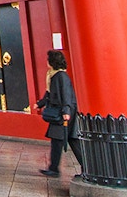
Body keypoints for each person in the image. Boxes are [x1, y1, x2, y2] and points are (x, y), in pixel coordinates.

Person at [36, 49, 83, 177]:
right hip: (61, 111)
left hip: (63, 112)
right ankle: (54, 168)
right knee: (65, 140)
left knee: (67, 140)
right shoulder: (53, 75)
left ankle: (57, 169)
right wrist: (39, 104)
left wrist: (66, 110)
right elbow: (49, 94)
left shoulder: (61, 76)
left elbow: (66, 94)